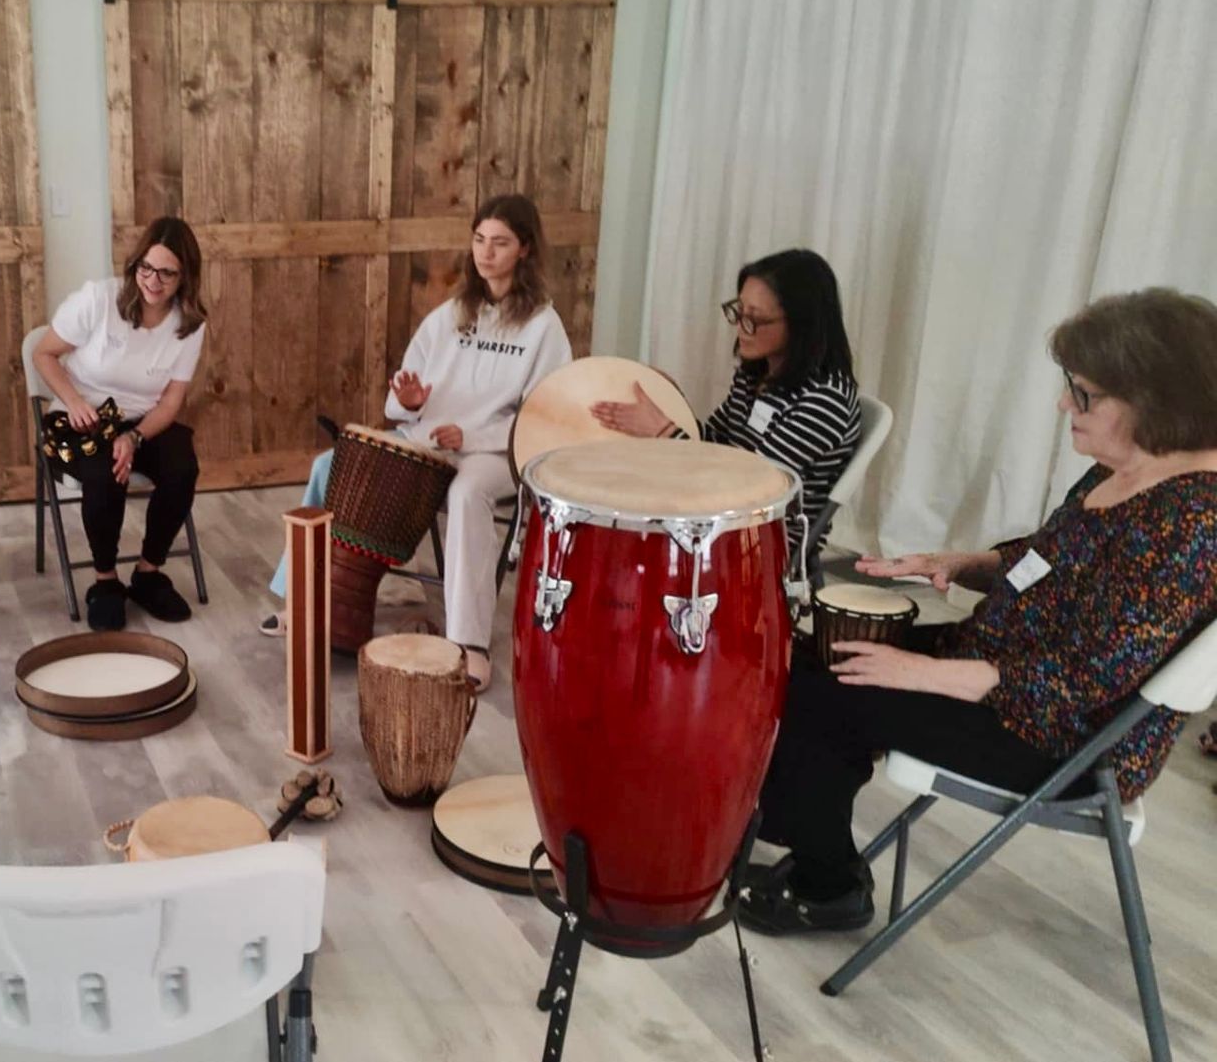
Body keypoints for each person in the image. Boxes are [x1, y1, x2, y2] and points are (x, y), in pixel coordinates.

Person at [737, 288, 1217, 934]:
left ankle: (829, 887)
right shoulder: (1128, 464)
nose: (1064, 405)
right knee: (811, 655)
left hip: (1065, 740)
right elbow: (1057, 557)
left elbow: (1086, 680)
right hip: (1001, 668)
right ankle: (810, 839)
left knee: (827, 693)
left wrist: (921, 673)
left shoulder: (1193, 524)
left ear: (1153, 401)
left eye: (1083, 394)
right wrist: (961, 563)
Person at [259, 194, 572, 690]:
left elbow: (546, 417)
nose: (486, 252)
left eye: (500, 242)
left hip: (495, 452)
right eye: (479, 240)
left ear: (525, 249)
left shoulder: (543, 328)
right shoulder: (450, 314)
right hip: (427, 441)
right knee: (327, 466)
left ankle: (469, 643)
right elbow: (398, 406)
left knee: (466, 494)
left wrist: (471, 434)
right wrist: (408, 401)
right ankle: (302, 601)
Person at [592, 248, 862, 543]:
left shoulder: (825, 400)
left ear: (801, 325)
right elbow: (715, 447)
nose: (741, 329)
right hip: (721, 519)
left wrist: (663, 429)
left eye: (755, 319)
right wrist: (673, 406)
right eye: (739, 312)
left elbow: (750, 488)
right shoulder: (756, 373)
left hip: (761, 542)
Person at [31, 217, 207, 631]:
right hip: (82, 417)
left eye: (167, 273)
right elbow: (43, 354)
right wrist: (73, 401)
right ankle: (105, 581)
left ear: (185, 276)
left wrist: (134, 436)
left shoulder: (189, 324)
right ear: (135, 263)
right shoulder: (99, 299)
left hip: (142, 421)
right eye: (147, 267)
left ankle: (148, 573)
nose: (153, 281)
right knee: (105, 473)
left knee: (182, 467)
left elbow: (171, 402)